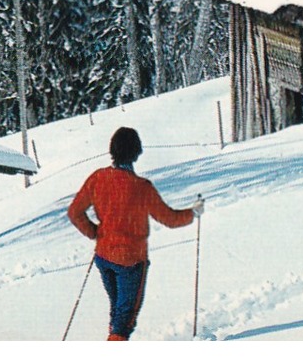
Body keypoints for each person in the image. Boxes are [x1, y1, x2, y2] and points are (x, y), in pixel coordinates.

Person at [67, 126, 203, 340]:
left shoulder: (98, 178)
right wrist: (193, 212)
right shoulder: (141, 187)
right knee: (124, 321)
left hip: (104, 257)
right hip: (130, 261)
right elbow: (169, 218)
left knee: (117, 313)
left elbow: (74, 212)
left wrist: (95, 233)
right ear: (137, 152)